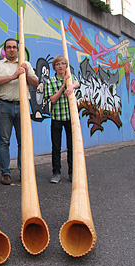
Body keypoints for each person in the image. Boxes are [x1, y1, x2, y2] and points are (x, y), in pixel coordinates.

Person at [0, 38, 38, 185]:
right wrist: (13, 77)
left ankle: (24, 172)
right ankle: (5, 173)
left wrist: (27, 74)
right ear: (5, 50)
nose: (11, 50)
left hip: (22, 105)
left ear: (18, 49)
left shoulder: (25, 64)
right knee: (4, 140)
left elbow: (35, 83)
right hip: (4, 105)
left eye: (14, 47)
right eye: (8, 47)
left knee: (24, 141)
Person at [44, 55, 80, 183]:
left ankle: (72, 173)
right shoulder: (50, 81)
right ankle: (56, 173)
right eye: (58, 64)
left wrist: (71, 86)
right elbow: (53, 100)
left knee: (72, 147)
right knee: (56, 147)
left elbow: (77, 83)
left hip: (70, 118)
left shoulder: (71, 77)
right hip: (57, 118)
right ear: (54, 67)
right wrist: (63, 85)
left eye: (63, 63)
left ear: (66, 66)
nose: (61, 66)